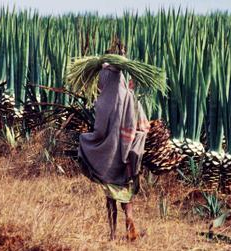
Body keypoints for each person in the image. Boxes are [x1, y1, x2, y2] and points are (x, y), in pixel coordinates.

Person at [78, 43, 150, 241]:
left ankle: (111, 234)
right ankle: (130, 221)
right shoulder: (130, 97)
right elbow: (143, 126)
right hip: (127, 159)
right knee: (126, 195)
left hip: (109, 159)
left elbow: (100, 131)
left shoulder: (103, 102)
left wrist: (86, 139)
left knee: (110, 197)